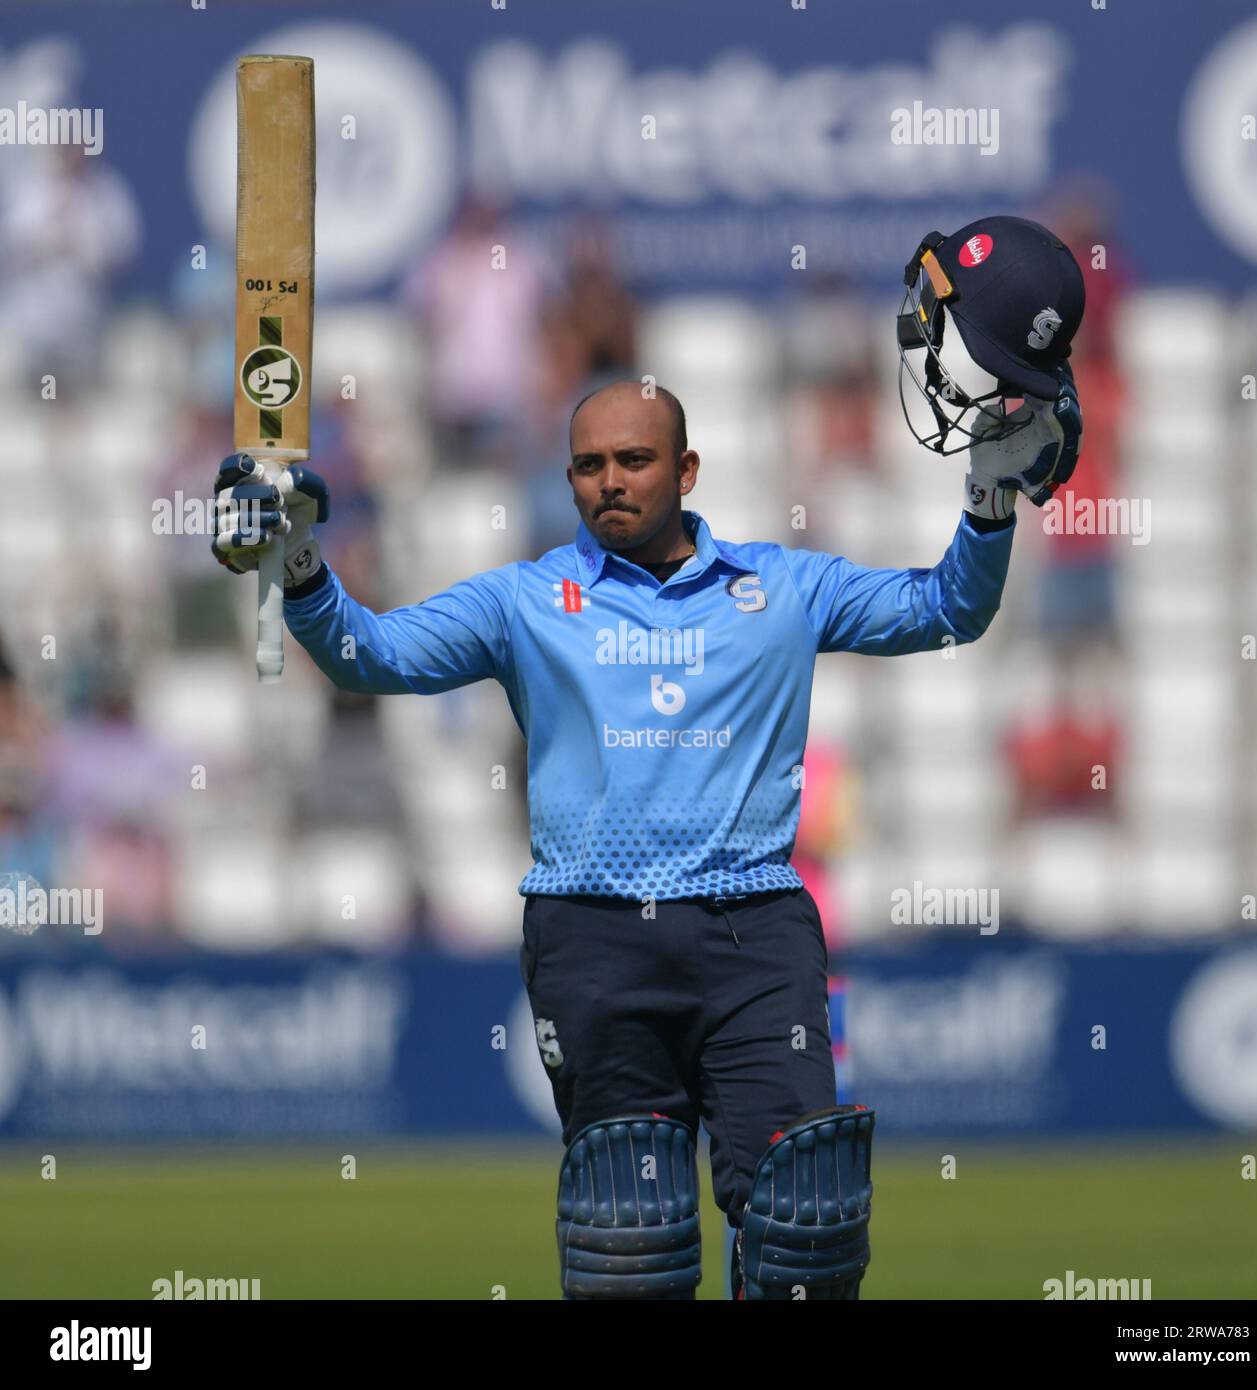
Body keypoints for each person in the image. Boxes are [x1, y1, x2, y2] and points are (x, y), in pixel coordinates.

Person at [211, 217, 1084, 1299]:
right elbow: (368, 657)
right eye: (587, 465)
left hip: (755, 929)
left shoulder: (782, 589)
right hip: (590, 933)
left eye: (633, 460)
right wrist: (298, 560)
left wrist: (990, 501)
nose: (608, 482)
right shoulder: (527, 600)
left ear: (687, 467)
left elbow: (949, 608)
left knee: (805, 1223)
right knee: (628, 1242)